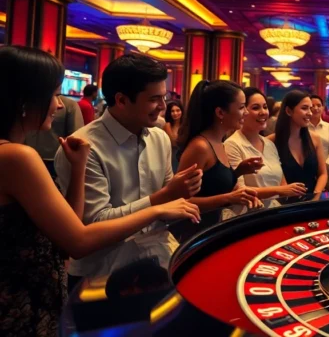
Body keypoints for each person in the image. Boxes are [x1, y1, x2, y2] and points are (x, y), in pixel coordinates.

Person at [0, 47, 199, 337]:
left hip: (137, 266)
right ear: (24, 101)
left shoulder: (158, 136)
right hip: (30, 294)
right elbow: (79, 239)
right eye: (55, 94)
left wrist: (78, 169)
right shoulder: (18, 157)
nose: (60, 105)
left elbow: (66, 230)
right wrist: (157, 206)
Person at [54, 53, 205, 284]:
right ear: (122, 100)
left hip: (158, 262)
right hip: (101, 275)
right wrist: (162, 199)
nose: (163, 107)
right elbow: (92, 225)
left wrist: (182, 192)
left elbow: (170, 205)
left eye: (163, 98)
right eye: (155, 99)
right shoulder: (84, 147)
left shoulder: (159, 138)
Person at [177, 80, 264, 221]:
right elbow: (180, 202)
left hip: (213, 226)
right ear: (220, 112)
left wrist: (239, 171)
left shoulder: (220, 141)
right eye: (242, 107)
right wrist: (228, 198)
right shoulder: (200, 147)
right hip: (194, 233)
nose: (246, 113)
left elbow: (213, 185)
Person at [224, 87, 306, 205]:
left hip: (274, 211)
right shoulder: (232, 144)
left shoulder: (269, 144)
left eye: (265, 107)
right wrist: (279, 190)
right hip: (247, 215)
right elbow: (240, 190)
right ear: (243, 111)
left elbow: (283, 183)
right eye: (256, 108)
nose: (263, 112)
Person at [268, 91, 327, 195]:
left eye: (310, 108)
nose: (310, 112)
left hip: (312, 199)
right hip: (284, 202)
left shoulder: (315, 139)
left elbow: (323, 174)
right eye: (304, 108)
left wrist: (316, 194)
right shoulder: (271, 141)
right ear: (288, 111)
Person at [25, 95, 84, 180]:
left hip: (32, 159)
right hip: (54, 161)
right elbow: (76, 137)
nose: (60, 104)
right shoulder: (69, 105)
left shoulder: (27, 102)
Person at [308, 95, 329, 192]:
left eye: (319, 105)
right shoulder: (302, 128)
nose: (316, 108)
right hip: (308, 169)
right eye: (312, 105)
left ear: (323, 108)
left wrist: (327, 164)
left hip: (326, 168)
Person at [163, 101, 183, 172]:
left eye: (178, 110)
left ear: (182, 111)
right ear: (169, 113)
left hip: (184, 155)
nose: (175, 113)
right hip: (172, 155)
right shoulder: (167, 125)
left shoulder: (185, 125)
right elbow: (173, 143)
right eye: (172, 111)